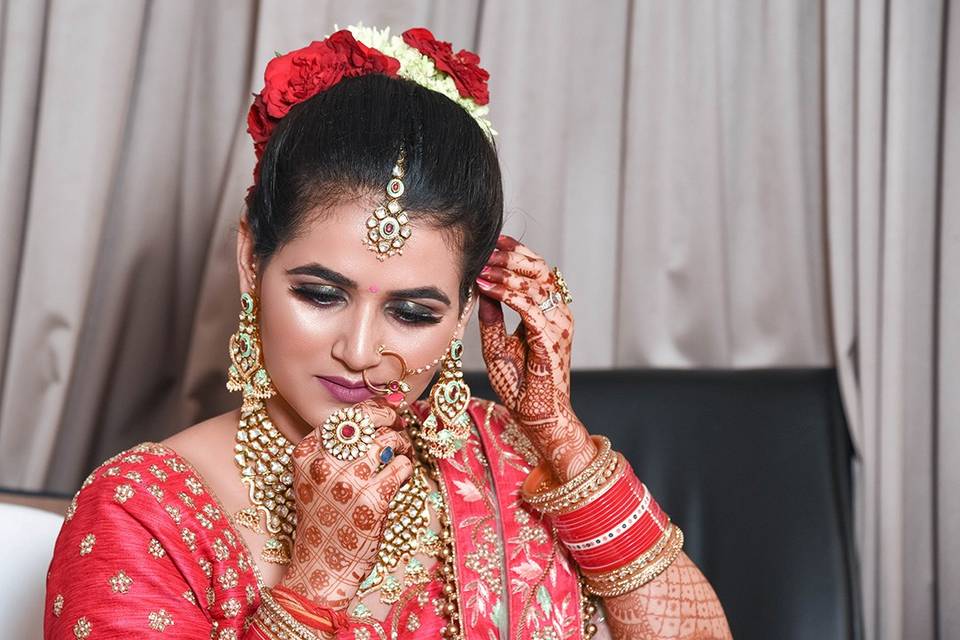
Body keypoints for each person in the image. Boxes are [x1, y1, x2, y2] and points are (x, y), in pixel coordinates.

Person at [44, 25, 732, 640]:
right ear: (251, 260)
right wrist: (314, 588)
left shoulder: (512, 459)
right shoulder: (143, 515)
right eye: (320, 294)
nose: (361, 350)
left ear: (464, 311)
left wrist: (562, 440)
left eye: (414, 312)